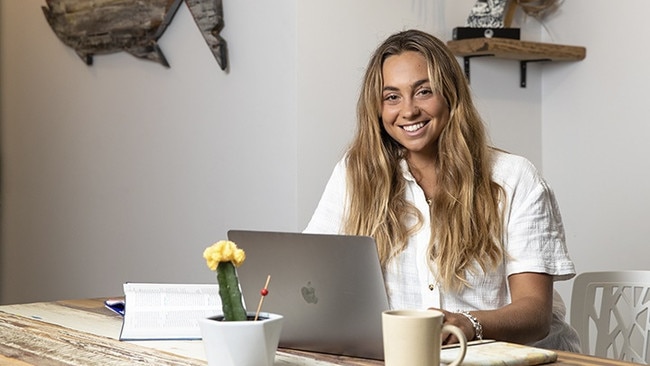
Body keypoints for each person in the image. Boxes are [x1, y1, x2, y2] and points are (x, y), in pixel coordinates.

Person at [304, 29, 580, 352]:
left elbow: (535, 314)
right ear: (377, 109)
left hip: (516, 358)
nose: (408, 111)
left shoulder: (514, 179)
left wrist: (469, 323)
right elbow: (310, 274)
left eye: (423, 92)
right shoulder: (355, 175)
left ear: (451, 94)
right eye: (392, 96)